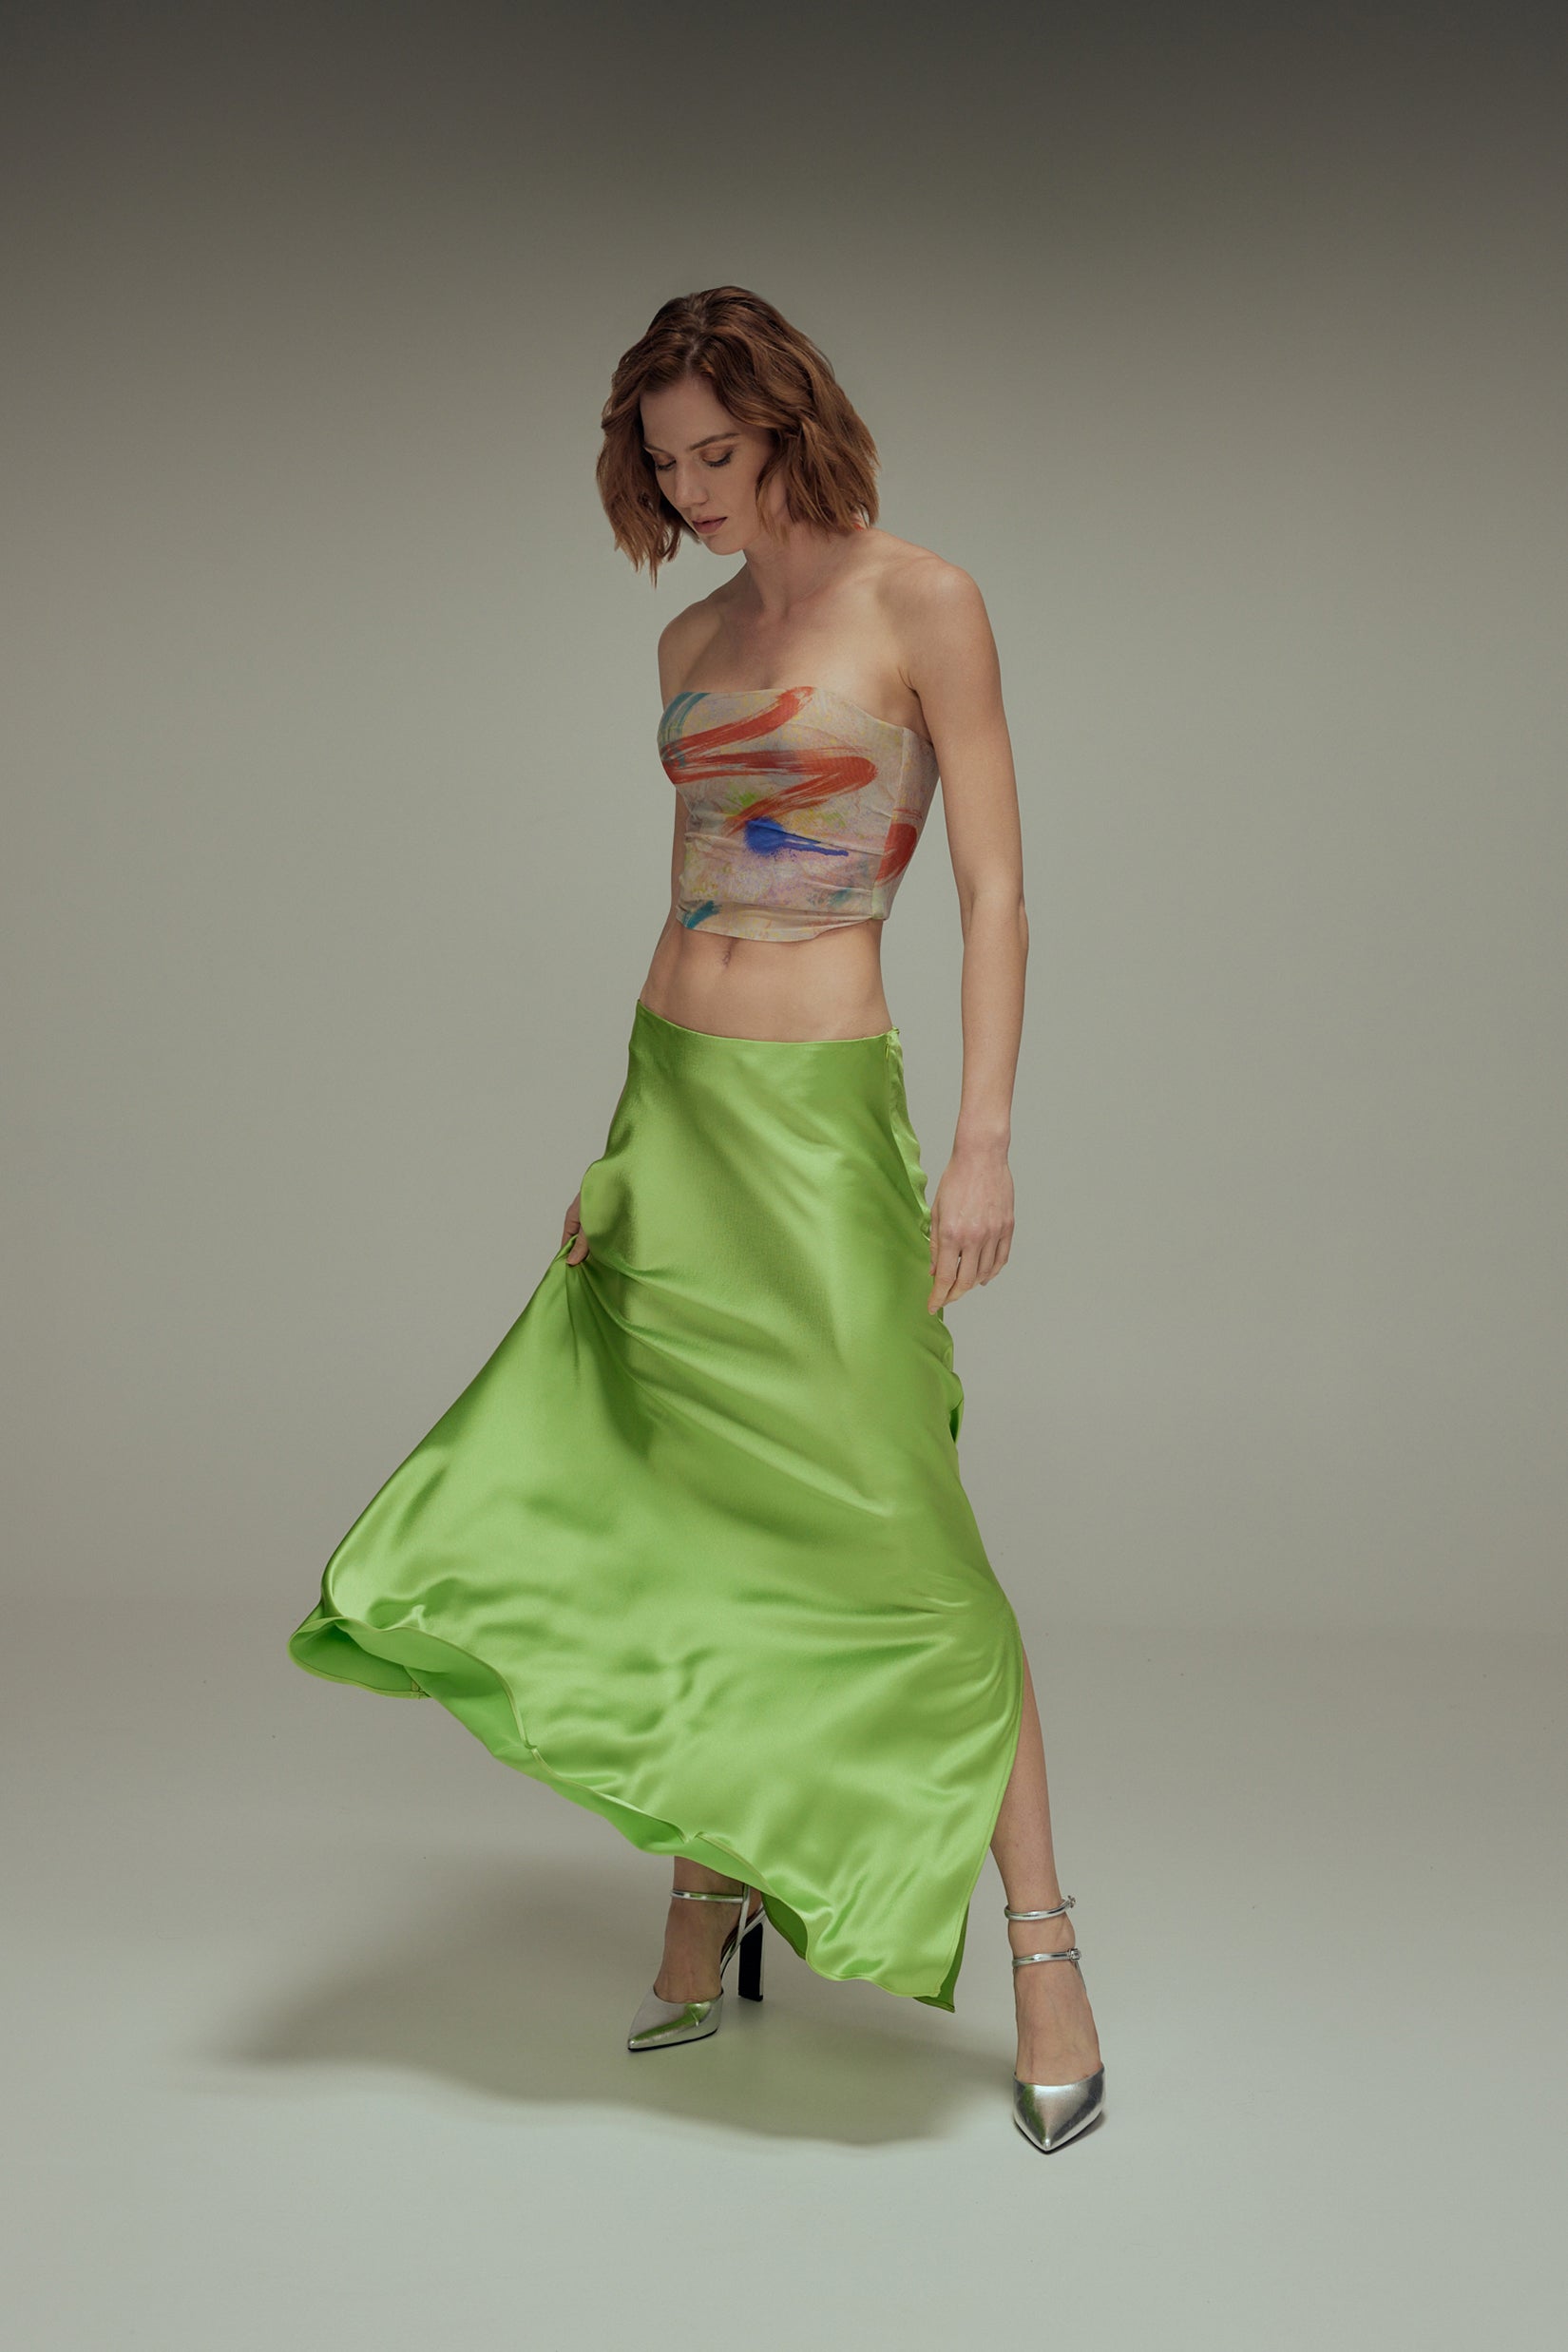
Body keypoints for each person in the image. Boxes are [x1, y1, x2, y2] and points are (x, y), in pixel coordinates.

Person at [288, 286, 1105, 2153]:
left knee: (907, 1539)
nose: (691, 490)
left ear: (790, 421)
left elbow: (994, 890)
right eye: (663, 465)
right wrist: (619, 1147)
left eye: (715, 453)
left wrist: (980, 1140)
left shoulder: (924, 601)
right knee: (681, 1501)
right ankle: (710, 1880)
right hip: (678, 1103)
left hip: (818, 1127)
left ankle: (1043, 1945)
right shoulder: (689, 634)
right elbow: (683, 897)